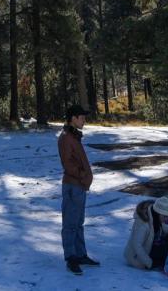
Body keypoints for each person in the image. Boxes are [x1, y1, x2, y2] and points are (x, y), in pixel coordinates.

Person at [58, 104, 97, 275]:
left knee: (79, 223)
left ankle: (80, 254)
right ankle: (71, 257)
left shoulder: (74, 136)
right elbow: (68, 164)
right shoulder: (66, 137)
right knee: (70, 224)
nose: (84, 121)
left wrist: (84, 178)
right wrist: (83, 175)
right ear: (73, 118)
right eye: (82, 117)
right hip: (73, 186)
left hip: (79, 186)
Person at [124, 199, 156, 269]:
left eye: (150, 208)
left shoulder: (150, 220)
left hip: (140, 256)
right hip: (135, 258)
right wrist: (149, 262)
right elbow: (137, 245)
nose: (148, 210)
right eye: (145, 208)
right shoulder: (142, 224)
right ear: (141, 210)